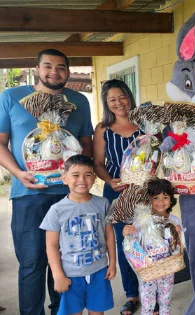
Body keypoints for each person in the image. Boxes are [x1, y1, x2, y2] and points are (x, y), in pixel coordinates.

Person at [0, 49, 94, 315]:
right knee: (31, 263)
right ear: (37, 68)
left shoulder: (78, 101)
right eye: (48, 66)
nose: (55, 72)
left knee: (65, 262)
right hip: (28, 194)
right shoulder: (11, 97)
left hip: (68, 197)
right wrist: (19, 174)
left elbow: (86, 144)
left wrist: (78, 178)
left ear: (68, 71)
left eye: (61, 67)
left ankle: (60, 311)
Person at [40, 154, 116, 315]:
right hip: (71, 273)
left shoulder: (102, 203)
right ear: (64, 178)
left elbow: (109, 234)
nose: (82, 180)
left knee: (97, 311)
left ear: (94, 178)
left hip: (99, 270)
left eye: (88, 175)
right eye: (75, 175)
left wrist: (112, 263)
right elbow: (51, 245)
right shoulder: (57, 210)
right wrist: (58, 275)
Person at [93, 79, 142, 315]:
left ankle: (152, 285)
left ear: (129, 97)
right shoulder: (103, 129)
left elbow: (160, 151)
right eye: (112, 99)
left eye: (122, 97)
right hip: (117, 192)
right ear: (106, 103)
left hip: (145, 193)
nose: (118, 103)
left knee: (149, 239)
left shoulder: (145, 123)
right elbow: (98, 164)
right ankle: (132, 294)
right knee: (124, 243)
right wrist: (109, 180)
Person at [123, 179, 182, 315]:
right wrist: (126, 232)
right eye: (156, 197)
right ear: (148, 199)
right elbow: (131, 241)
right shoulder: (142, 221)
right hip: (148, 270)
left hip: (167, 268)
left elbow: (178, 245)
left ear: (171, 199)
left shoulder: (174, 220)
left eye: (165, 197)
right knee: (148, 303)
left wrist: (178, 232)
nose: (161, 202)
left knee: (165, 301)